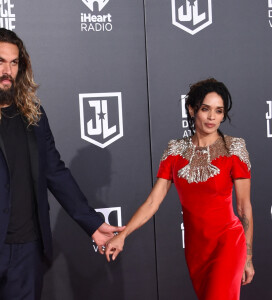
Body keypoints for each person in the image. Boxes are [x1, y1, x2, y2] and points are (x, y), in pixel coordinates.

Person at [0, 28, 124, 299]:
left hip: (25, 251)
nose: (6, 70)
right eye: (0, 61)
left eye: (13, 62)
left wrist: (92, 223)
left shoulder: (33, 115)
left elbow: (55, 173)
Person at [105, 78, 255, 300]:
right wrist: (123, 235)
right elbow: (152, 202)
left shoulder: (234, 149)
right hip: (196, 250)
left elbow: (243, 208)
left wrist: (248, 257)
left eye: (219, 111)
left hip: (228, 244)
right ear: (192, 109)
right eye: (206, 109)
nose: (212, 117)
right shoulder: (175, 150)